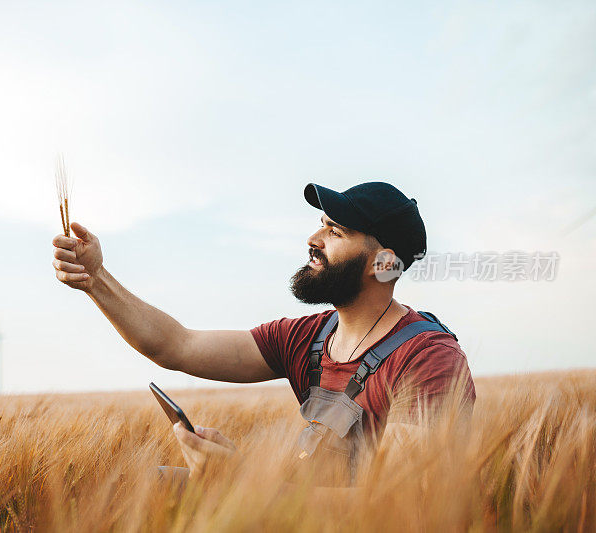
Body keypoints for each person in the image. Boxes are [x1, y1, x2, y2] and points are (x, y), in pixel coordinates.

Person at [51, 181, 476, 485]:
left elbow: (402, 510)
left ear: (383, 264)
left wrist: (244, 486)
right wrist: (96, 278)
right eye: (320, 224)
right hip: (298, 512)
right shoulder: (305, 338)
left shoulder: (429, 360)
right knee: (154, 485)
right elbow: (176, 346)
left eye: (335, 231)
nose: (313, 239)